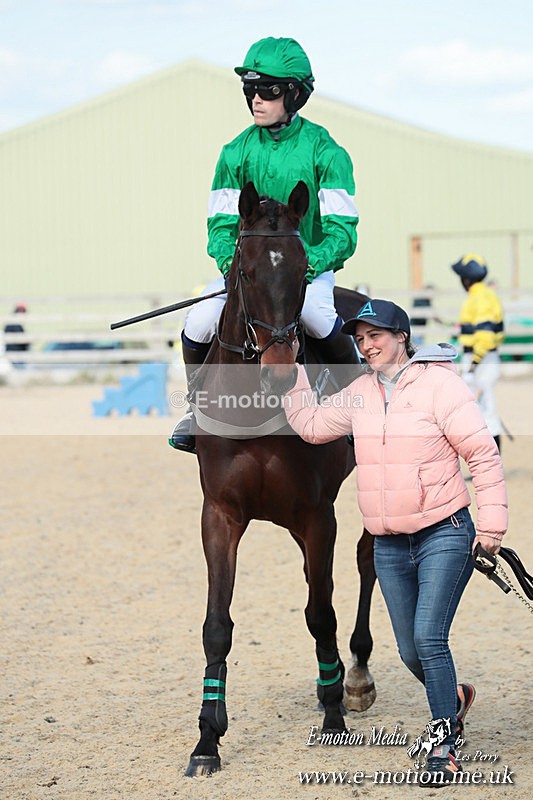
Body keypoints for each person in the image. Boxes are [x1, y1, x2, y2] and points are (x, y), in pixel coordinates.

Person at [282, 298, 508, 785]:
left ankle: (443, 746)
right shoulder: (360, 392)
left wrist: (490, 526)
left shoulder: (440, 385)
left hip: (444, 533)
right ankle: (455, 700)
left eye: (375, 336)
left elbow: (483, 457)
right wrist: (293, 370)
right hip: (388, 545)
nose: (367, 346)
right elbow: (311, 426)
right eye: (360, 340)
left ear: (402, 336)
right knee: (408, 651)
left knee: (429, 639)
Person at [169, 36, 359, 452]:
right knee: (199, 320)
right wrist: (230, 266)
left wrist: (306, 267)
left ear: (293, 94)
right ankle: (195, 408)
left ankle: (359, 411)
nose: (256, 99)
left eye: (268, 90)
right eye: (249, 90)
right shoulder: (233, 153)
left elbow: (343, 231)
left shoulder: (327, 152)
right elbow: (219, 225)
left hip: (306, 270)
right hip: (247, 271)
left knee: (318, 315)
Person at [451, 254, 504, 451]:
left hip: (480, 360)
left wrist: (473, 364)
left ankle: (493, 461)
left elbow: (486, 334)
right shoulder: (481, 296)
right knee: (480, 411)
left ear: (466, 280)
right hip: (481, 359)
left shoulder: (480, 298)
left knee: (485, 412)